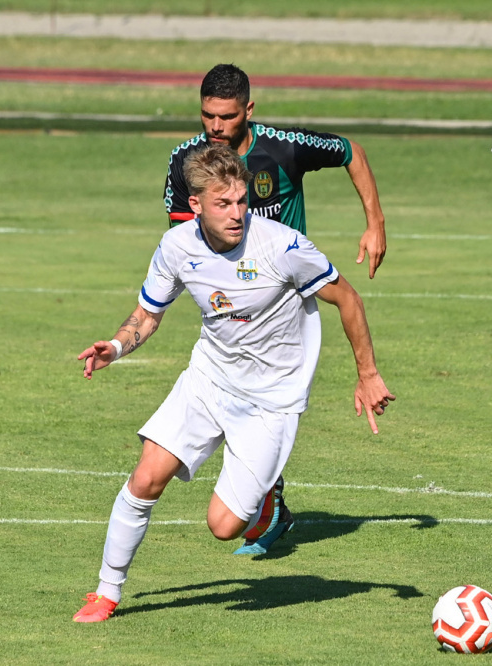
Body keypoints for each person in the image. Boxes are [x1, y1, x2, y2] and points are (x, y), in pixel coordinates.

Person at [73, 143, 394, 623]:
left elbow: (348, 299)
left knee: (223, 527)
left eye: (241, 200)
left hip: (272, 399)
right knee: (145, 477)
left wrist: (367, 375)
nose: (237, 213)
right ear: (196, 204)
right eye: (223, 204)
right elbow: (146, 315)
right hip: (210, 379)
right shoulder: (177, 247)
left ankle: (265, 500)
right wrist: (116, 347)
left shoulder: (283, 247)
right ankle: (106, 591)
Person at [163, 63, 387, 280]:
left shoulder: (285, 148)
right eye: (208, 115)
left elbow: (352, 152)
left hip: (286, 294)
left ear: (248, 110)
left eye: (228, 117)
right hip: (225, 295)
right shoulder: (184, 159)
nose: (216, 126)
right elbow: (182, 239)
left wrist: (375, 225)